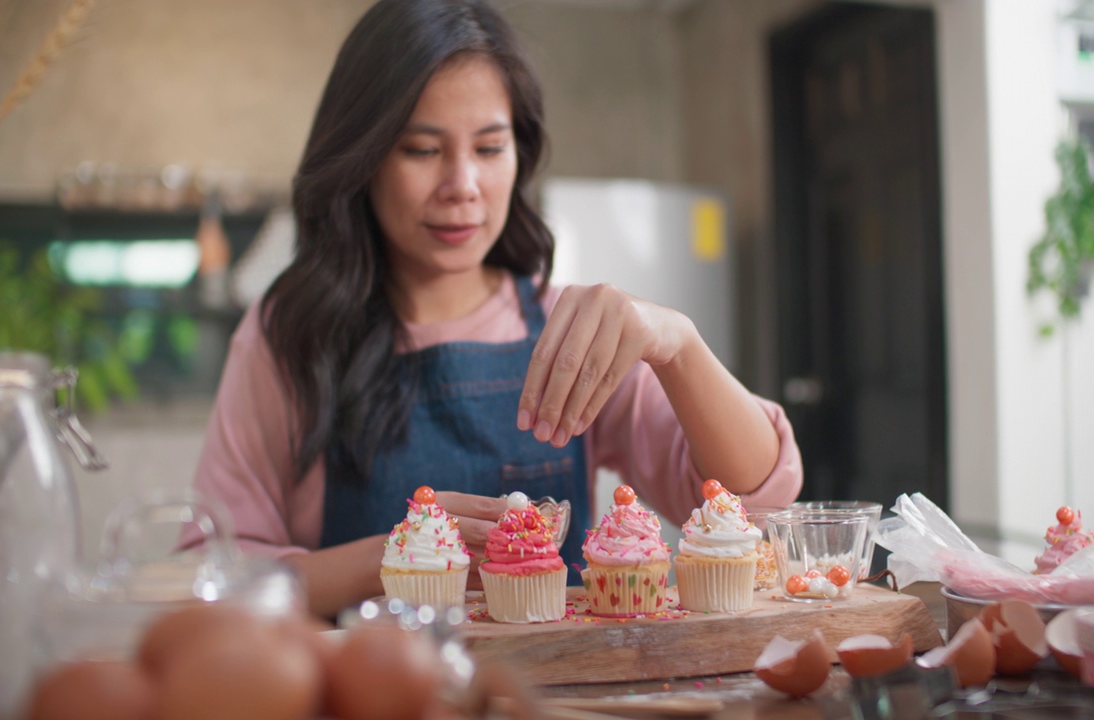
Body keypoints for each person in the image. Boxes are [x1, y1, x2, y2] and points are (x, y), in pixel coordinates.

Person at [182, 0, 803, 620]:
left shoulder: (567, 331)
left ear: (520, 155)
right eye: (422, 150)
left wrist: (680, 344)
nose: (463, 184)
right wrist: (405, 551)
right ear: (363, 158)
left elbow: (757, 500)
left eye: (489, 147)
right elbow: (211, 581)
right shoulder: (288, 335)